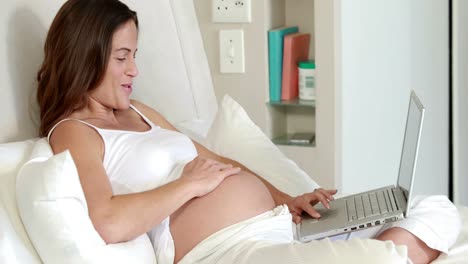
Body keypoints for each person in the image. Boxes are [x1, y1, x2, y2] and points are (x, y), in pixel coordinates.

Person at [37, 0, 461, 263]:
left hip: (280, 229)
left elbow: (223, 164)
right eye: (122, 57)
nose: (135, 70)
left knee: (436, 208)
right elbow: (108, 221)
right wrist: (188, 186)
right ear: (84, 55)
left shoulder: (141, 111)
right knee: (380, 258)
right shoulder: (73, 131)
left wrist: (288, 201)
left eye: (136, 55)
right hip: (230, 252)